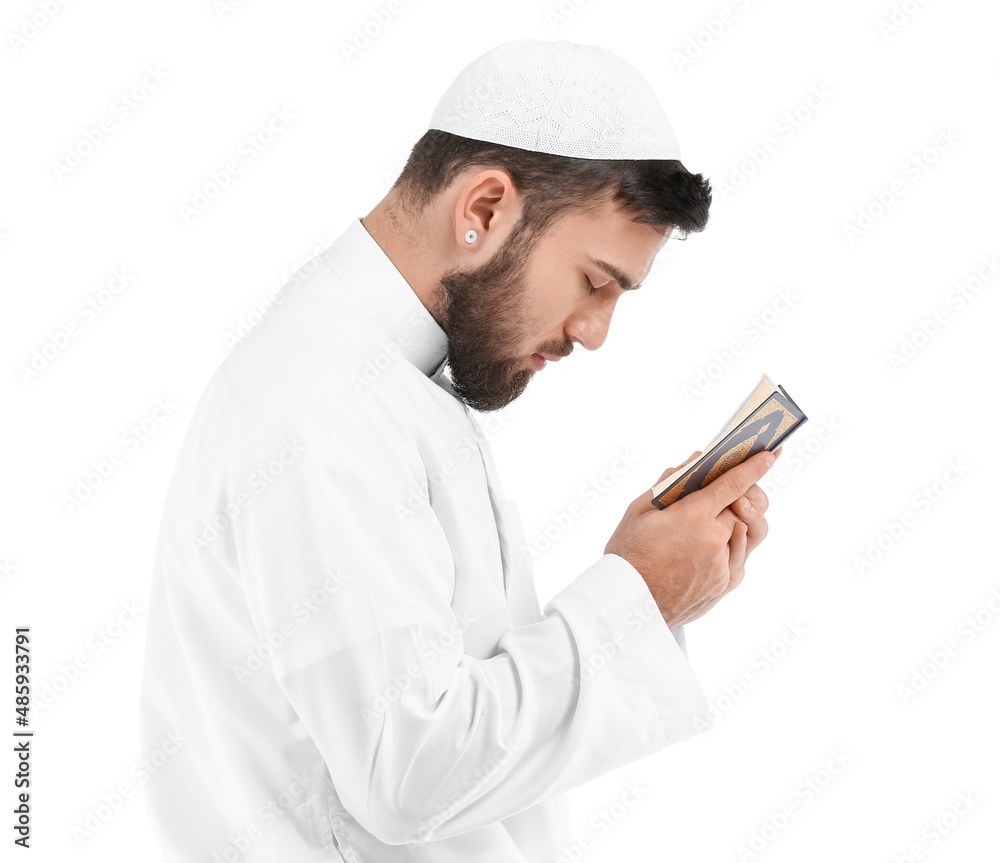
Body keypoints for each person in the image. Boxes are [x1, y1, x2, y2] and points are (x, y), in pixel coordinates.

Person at [139, 37, 780, 862]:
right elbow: (408, 770)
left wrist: (650, 591)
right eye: (594, 281)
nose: (594, 332)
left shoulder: (377, 381)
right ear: (482, 210)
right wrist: (637, 597)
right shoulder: (323, 404)